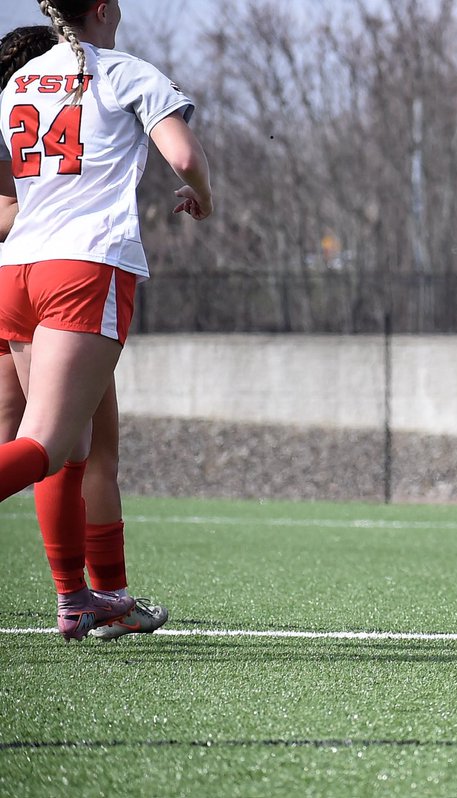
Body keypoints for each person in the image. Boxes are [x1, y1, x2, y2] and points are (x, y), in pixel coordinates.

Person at [0, 0, 212, 641]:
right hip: (84, 268)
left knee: (74, 449)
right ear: (101, 9)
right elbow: (183, 156)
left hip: (18, 270)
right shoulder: (124, 71)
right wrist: (203, 196)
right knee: (47, 445)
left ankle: (83, 601)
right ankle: (87, 598)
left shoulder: (18, 80)